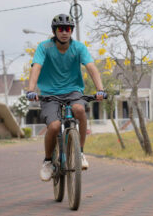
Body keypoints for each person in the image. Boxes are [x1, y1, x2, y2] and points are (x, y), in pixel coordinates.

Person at [26, 13, 105, 182]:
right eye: (61, 29)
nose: (64, 32)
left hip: (73, 91)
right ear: (55, 31)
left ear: (71, 31)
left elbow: (91, 67)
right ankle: (48, 161)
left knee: (79, 109)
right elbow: (36, 67)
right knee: (54, 127)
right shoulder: (44, 47)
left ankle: (80, 153)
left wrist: (100, 89)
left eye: (68, 29)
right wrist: (31, 90)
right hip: (49, 94)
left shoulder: (79, 48)